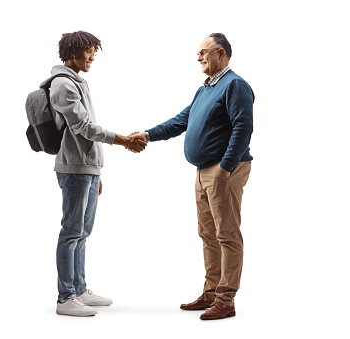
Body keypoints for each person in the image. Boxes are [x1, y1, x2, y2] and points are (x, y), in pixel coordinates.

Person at [130, 33, 254, 320]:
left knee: (227, 234)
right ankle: (211, 293)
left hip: (224, 170)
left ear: (220, 53)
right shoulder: (205, 89)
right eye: (198, 53)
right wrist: (148, 135)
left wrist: (226, 166)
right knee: (208, 234)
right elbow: (181, 120)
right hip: (203, 172)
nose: (199, 57)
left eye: (203, 52)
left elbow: (243, 127)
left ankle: (226, 300)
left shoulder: (235, 84)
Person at [44, 31, 146, 317]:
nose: (91, 57)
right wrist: (123, 140)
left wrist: (96, 171)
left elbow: (86, 131)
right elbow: (84, 128)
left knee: (83, 232)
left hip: (86, 167)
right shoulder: (63, 85)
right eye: (88, 51)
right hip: (74, 167)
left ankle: (79, 289)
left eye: (93, 52)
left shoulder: (78, 82)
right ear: (72, 52)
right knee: (71, 232)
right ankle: (65, 298)